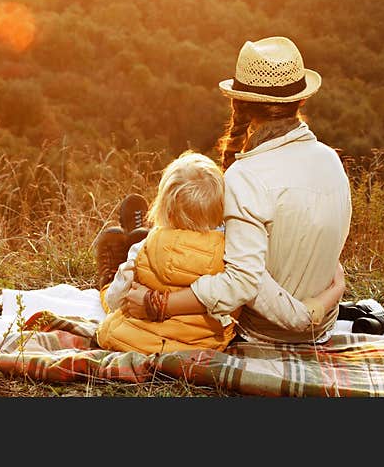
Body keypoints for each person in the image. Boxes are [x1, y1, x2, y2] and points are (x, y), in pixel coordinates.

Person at [118, 36, 351, 344]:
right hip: (322, 326)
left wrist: (157, 304)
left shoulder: (247, 175)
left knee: (192, 241)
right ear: (302, 100)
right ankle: (141, 239)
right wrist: (327, 298)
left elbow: (242, 282)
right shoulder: (331, 160)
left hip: (264, 330)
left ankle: (140, 243)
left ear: (239, 102)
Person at [95, 151, 236, 354]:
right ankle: (137, 231)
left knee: (113, 291)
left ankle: (107, 277)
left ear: (165, 209)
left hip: (138, 340)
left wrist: (111, 291)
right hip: (202, 345)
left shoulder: (142, 251)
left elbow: (115, 301)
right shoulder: (231, 252)